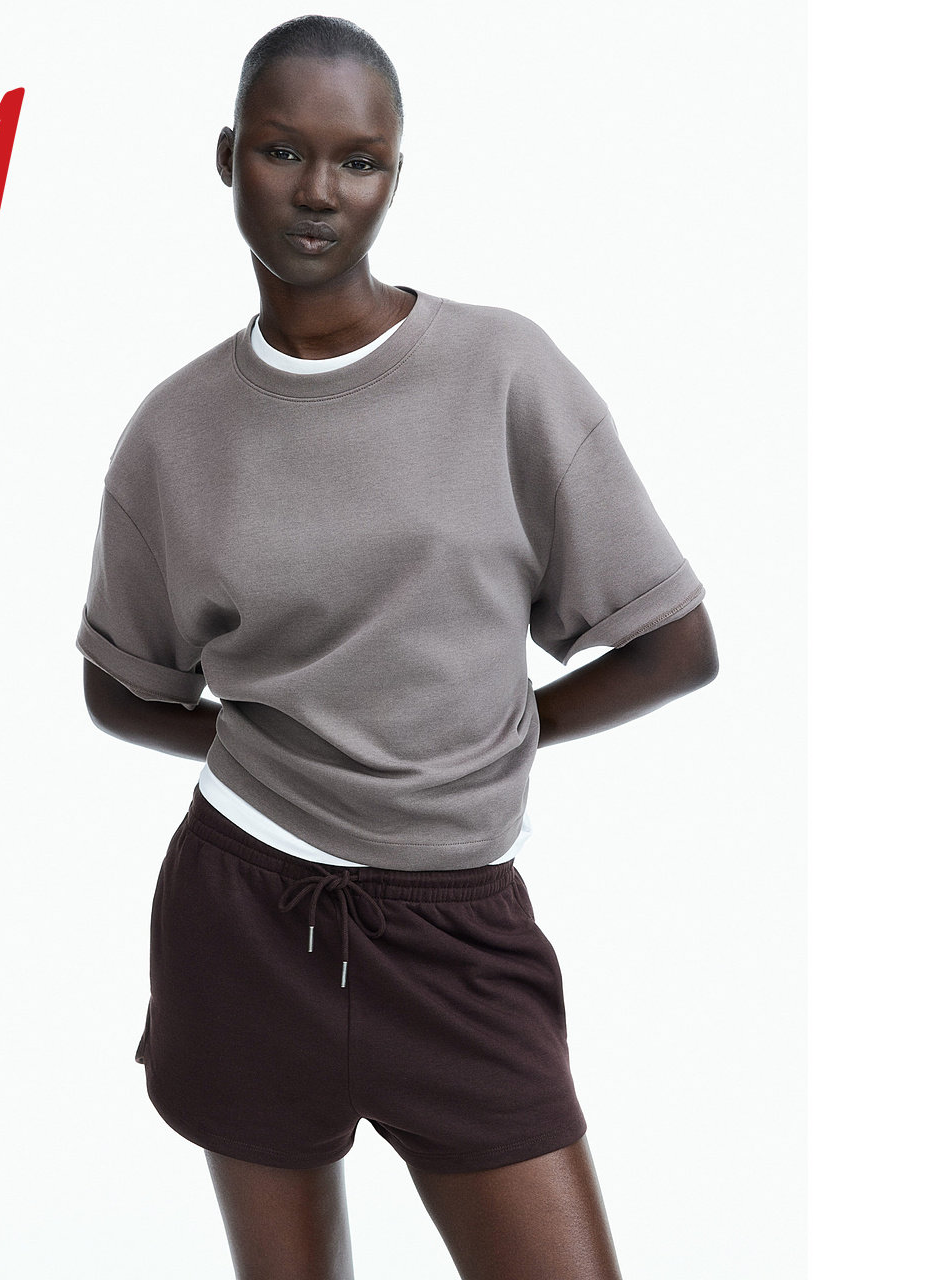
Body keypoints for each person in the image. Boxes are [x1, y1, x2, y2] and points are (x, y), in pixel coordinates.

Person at [76, 15, 719, 1280]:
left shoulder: (501, 372)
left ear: (392, 175)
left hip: (455, 934)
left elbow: (673, 644)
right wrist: (281, 751)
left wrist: (496, 731)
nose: (318, 190)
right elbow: (118, 686)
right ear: (228, 157)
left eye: (357, 160)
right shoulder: (172, 433)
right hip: (240, 918)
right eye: (282, 150)